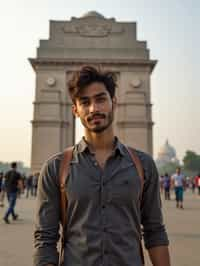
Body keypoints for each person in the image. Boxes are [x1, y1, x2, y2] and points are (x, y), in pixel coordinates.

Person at [34, 66, 170, 266]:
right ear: (75, 110)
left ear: (114, 102)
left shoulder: (144, 165)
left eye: (100, 99)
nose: (93, 109)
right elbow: (45, 240)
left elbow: (155, 231)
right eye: (85, 102)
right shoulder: (54, 169)